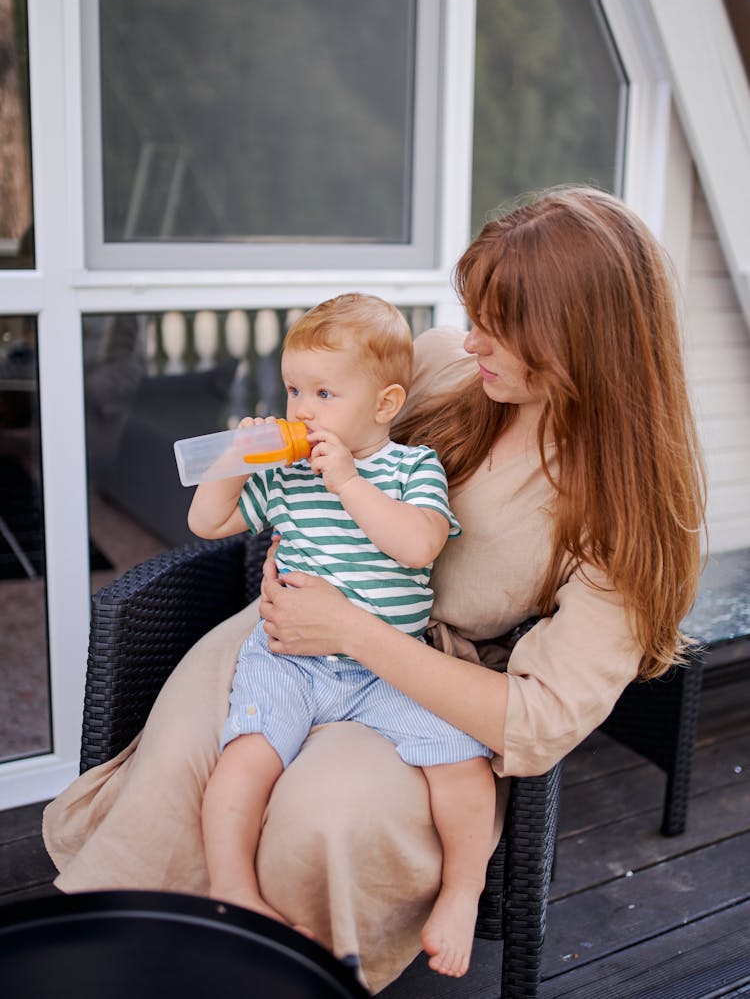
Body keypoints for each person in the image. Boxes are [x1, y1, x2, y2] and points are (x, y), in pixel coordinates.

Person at [43, 186, 706, 995]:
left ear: (580, 343)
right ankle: (136, 955)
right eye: (475, 313)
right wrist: (272, 457)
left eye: (499, 327)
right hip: (293, 624)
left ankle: (280, 973)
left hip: (427, 679)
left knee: (315, 819)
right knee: (188, 763)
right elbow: (338, 401)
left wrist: (355, 631)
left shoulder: (623, 514)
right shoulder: (441, 364)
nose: (471, 339)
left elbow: (537, 720)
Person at [188, 293, 496, 978]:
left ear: (385, 404)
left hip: (390, 668)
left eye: (324, 392)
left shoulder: (413, 469)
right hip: (291, 661)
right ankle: (231, 889)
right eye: (296, 388)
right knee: (242, 759)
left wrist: (349, 481)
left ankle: (462, 892)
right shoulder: (289, 475)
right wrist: (232, 461)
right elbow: (208, 523)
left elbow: (419, 545)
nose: (302, 409)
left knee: (466, 768)